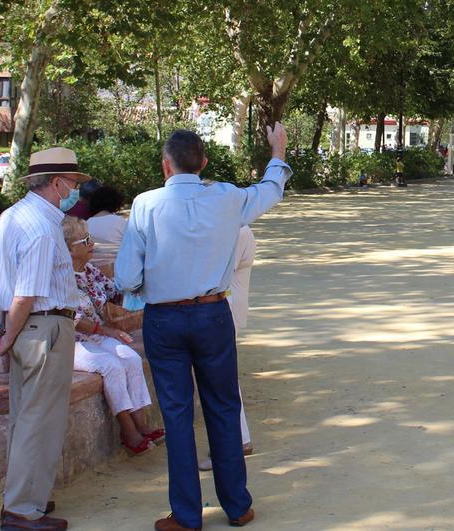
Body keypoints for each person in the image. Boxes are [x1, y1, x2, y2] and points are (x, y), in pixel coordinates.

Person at [115, 126, 291, 531]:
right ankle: (237, 505)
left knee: (177, 414)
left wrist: (146, 282)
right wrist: (277, 149)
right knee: (223, 406)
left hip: (165, 318)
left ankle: (186, 514)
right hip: (213, 313)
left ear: (165, 165)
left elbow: (126, 276)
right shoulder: (227, 197)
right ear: (204, 163)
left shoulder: (145, 205)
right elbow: (269, 190)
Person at [0, 147, 91, 531]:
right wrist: (7, 332)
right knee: (39, 419)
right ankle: (22, 509)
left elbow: (9, 286)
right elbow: (26, 293)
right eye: (73, 183)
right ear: (58, 183)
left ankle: (25, 498)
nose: (74, 191)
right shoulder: (43, 227)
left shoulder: (12, 217)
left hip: (30, 328)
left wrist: (4, 331)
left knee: (26, 416)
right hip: (44, 327)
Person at [62, 216, 164, 454]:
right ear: (69, 248)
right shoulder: (58, 277)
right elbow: (71, 319)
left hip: (96, 336)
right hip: (69, 341)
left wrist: (152, 294)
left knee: (130, 358)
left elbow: (114, 292)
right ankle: (127, 429)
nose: (92, 244)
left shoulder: (87, 270)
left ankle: (141, 423)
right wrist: (108, 331)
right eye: (86, 240)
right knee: (110, 365)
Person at [198, 224, 256, 472]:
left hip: (223, 307)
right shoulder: (237, 228)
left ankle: (234, 442)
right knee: (222, 379)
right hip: (226, 307)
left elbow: (214, 270)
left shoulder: (236, 231)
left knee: (220, 381)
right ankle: (236, 440)